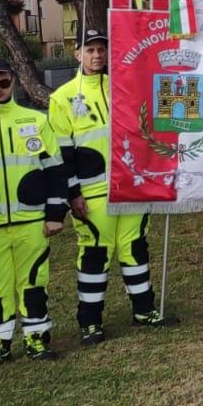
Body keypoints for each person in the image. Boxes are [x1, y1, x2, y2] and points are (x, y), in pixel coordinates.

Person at [50, 28, 164, 343]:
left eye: (101, 49)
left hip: (131, 187)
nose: (97, 55)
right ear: (77, 53)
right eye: (90, 50)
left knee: (135, 248)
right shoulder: (62, 97)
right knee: (95, 254)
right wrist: (73, 193)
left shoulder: (123, 87)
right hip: (92, 194)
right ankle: (89, 322)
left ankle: (144, 310)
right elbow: (63, 153)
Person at [0, 56, 68, 370]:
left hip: (32, 222)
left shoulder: (35, 120)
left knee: (34, 282)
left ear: (13, 81)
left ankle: (37, 340)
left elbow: (55, 170)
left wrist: (55, 213)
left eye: (3, 82)